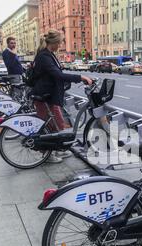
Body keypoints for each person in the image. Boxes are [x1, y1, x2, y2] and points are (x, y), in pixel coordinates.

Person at [32, 29, 93, 164]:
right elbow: (57, 75)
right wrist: (80, 77)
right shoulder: (44, 56)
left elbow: (55, 74)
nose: (60, 45)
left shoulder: (49, 54)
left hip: (50, 96)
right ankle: (47, 154)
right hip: (45, 97)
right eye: (59, 43)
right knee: (49, 126)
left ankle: (57, 149)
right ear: (53, 43)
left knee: (57, 124)